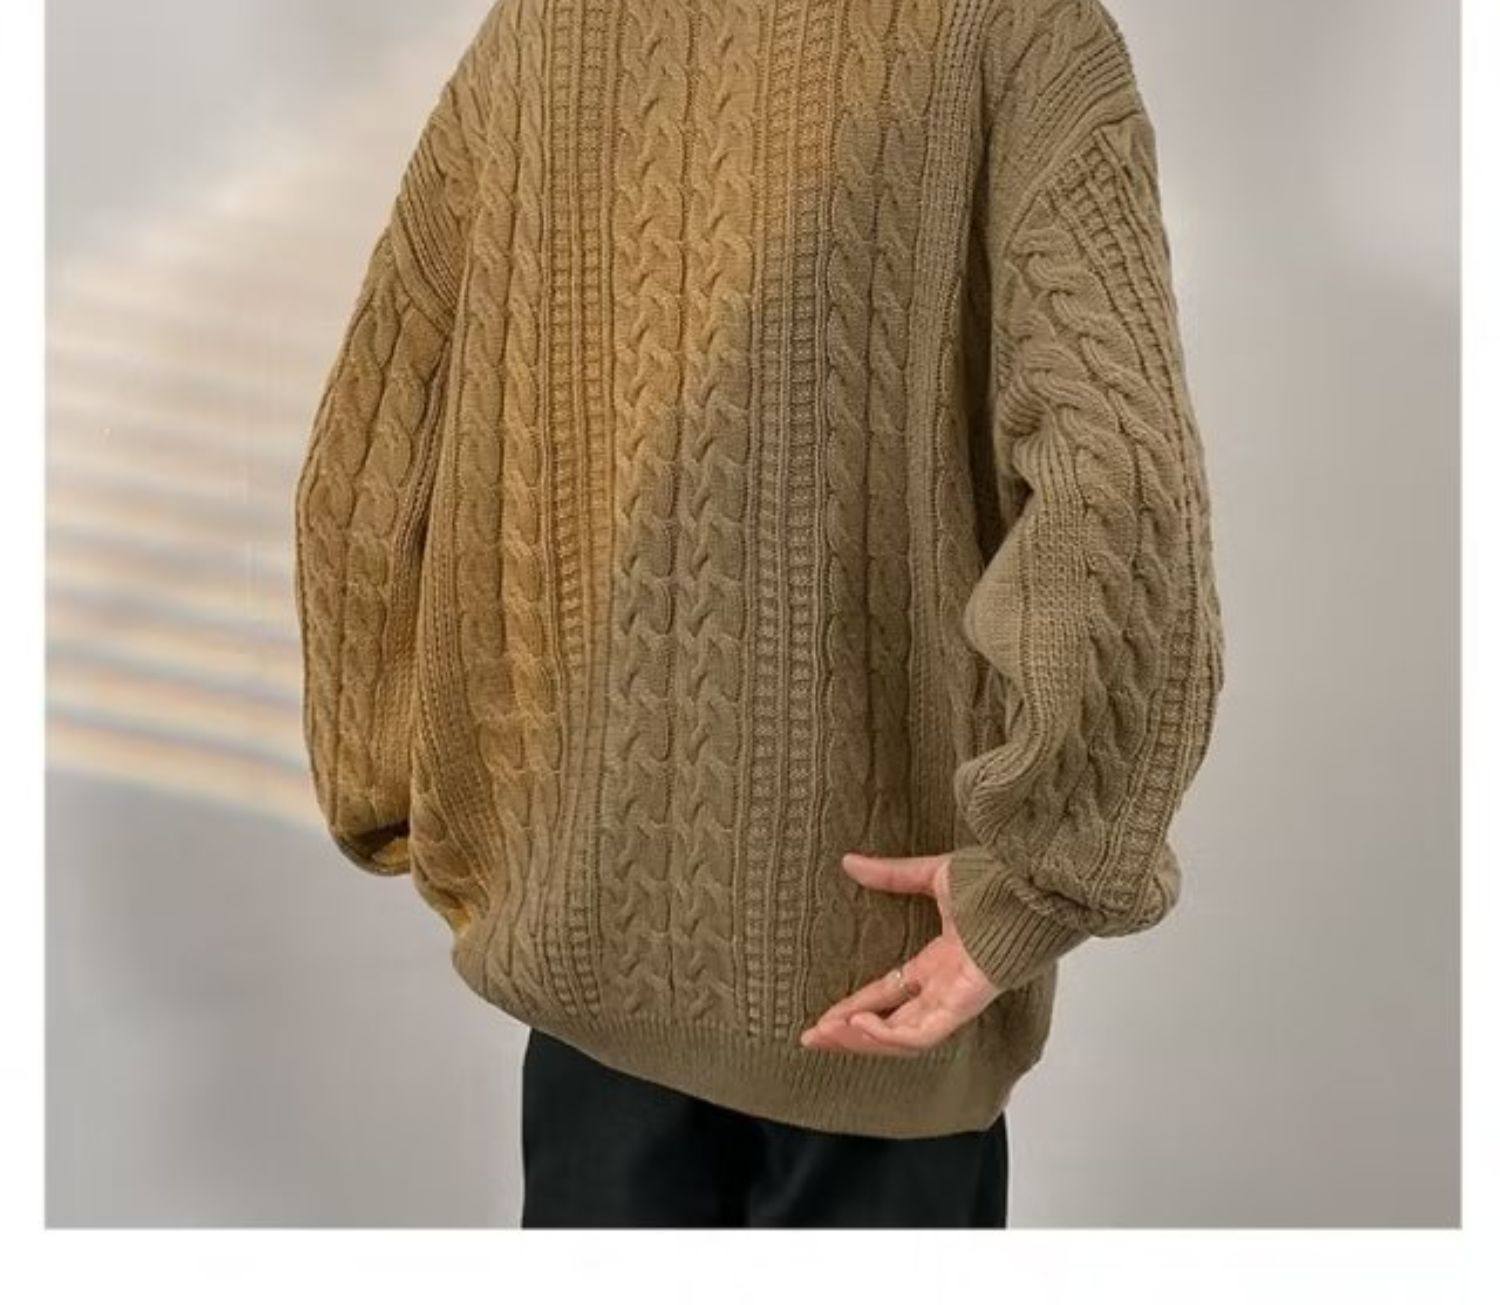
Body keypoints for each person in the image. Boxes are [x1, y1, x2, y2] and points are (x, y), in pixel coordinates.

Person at [293, 0, 1224, 1229]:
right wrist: (1044, 875)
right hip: (880, 965)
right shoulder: (1019, 32)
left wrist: (399, 781)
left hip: (596, 938)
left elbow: (377, 440)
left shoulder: (547, 32)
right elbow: (1122, 481)